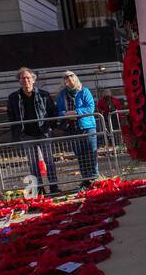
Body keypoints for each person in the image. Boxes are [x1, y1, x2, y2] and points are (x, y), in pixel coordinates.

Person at [6, 67, 59, 195]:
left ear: (33, 80)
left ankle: (53, 186)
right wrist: (17, 131)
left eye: (28, 78)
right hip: (27, 134)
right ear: (19, 81)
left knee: (49, 161)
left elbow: (52, 111)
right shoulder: (13, 97)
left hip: (43, 132)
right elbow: (11, 115)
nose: (26, 80)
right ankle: (39, 188)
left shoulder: (43, 94)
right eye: (23, 78)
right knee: (33, 164)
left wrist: (50, 126)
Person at [55, 70, 98, 187]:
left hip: (87, 127)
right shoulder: (62, 95)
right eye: (66, 77)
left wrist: (75, 113)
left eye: (71, 76)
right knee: (80, 155)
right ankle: (86, 179)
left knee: (91, 154)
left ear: (76, 78)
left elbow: (90, 108)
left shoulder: (84, 91)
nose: (69, 78)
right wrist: (65, 114)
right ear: (64, 81)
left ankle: (94, 178)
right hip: (71, 128)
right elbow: (59, 111)